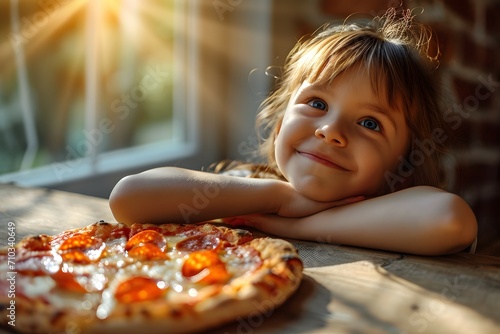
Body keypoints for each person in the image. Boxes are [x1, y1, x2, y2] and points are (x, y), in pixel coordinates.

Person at [109, 9, 477, 255]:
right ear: (282, 119)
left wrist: (308, 225)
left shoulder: (399, 210)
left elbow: (451, 220)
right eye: (317, 103)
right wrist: (278, 198)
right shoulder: (251, 188)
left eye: (370, 124)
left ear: (404, 159)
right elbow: (128, 197)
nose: (330, 131)